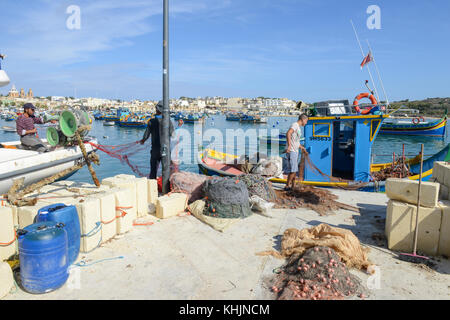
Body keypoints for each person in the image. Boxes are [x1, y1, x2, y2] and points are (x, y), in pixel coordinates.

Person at [140, 101, 175, 179]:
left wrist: (142, 141)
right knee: (166, 170)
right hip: (165, 150)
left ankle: (152, 187)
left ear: (156, 110)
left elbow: (146, 135)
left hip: (155, 150)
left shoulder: (151, 122)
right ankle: (166, 188)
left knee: (153, 170)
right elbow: (173, 135)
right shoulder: (168, 121)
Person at [285, 114, 308, 191]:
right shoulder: (295, 125)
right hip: (292, 151)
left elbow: (296, 142)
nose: (306, 123)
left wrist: (301, 147)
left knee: (294, 169)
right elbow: (288, 133)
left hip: (295, 151)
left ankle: (293, 186)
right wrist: (289, 146)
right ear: (303, 119)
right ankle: (287, 186)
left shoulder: (298, 128)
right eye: (306, 121)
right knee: (293, 170)